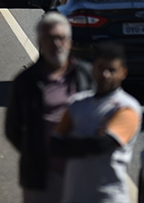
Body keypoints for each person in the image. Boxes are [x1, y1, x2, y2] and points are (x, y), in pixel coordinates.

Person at [5, 13, 94, 203]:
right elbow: (12, 128)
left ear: (69, 42)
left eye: (61, 38)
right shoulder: (26, 81)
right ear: (40, 42)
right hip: (41, 174)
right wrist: (34, 151)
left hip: (80, 171)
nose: (56, 44)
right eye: (50, 39)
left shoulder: (85, 75)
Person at [52, 42, 141, 203]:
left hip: (108, 198)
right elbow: (54, 144)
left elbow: (102, 145)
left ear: (123, 73)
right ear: (93, 69)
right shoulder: (77, 103)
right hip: (74, 196)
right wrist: (92, 138)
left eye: (112, 70)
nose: (105, 74)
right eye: (101, 68)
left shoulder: (127, 108)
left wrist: (72, 141)